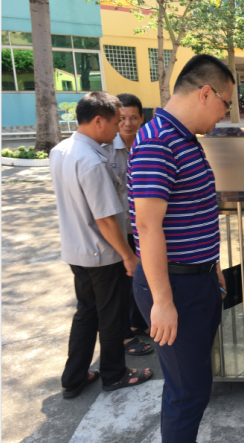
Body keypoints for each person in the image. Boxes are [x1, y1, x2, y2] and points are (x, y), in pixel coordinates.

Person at [129, 55, 232, 442]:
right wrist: (162, 300)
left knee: (192, 383)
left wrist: (212, 264)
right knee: (187, 393)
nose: (225, 114)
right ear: (206, 93)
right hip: (173, 286)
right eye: (226, 103)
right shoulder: (158, 141)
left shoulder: (184, 140)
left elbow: (193, 211)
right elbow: (147, 225)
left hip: (197, 280)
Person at [50, 92, 152, 399]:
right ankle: (114, 374)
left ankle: (74, 377)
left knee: (86, 313)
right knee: (111, 316)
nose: (120, 127)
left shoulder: (61, 150)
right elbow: (106, 219)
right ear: (98, 121)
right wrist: (128, 256)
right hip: (102, 254)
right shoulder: (92, 161)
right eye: (116, 121)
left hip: (76, 250)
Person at [104, 93, 152, 356]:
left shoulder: (147, 143)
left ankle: (137, 323)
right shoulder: (106, 148)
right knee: (120, 285)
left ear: (141, 118)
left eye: (134, 117)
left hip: (142, 228)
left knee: (142, 278)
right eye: (122, 118)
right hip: (118, 230)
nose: (128, 123)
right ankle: (124, 336)